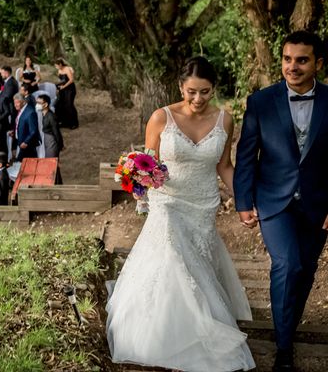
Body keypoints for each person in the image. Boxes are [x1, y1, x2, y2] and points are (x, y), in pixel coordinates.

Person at [105, 57, 254, 371]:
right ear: (179, 87)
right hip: (167, 202)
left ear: (214, 89)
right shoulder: (161, 118)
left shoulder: (224, 120)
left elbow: (224, 165)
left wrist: (244, 200)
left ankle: (195, 327)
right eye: (191, 92)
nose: (198, 99)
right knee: (173, 259)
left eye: (205, 92)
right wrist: (139, 188)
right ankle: (170, 337)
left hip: (203, 204)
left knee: (195, 265)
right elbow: (147, 164)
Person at [234, 31, 328, 371]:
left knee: (305, 271)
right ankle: (284, 348)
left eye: (302, 60)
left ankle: (287, 328)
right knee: (287, 264)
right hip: (274, 200)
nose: (293, 66)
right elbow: (246, 155)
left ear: (317, 63)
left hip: (319, 203)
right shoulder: (261, 101)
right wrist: (243, 200)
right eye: (288, 59)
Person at [11, 94, 40, 161]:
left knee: (21, 163)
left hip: (27, 145)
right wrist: (15, 131)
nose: (15, 105)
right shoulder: (21, 110)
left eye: (17, 103)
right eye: (14, 103)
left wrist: (26, 142)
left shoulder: (30, 112)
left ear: (24, 102)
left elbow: (33, 130)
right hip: (23, 144)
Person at [54, 58, 78, 129]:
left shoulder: (67, 69)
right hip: (63, 89)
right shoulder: (59, 70)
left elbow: (71, 80)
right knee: (61, 104)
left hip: (70, 89)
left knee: (69, 105)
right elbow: (60, 80)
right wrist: (58, 87)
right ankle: (64, 122)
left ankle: (74, 123)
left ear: (60, 64)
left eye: (57, 66)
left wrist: (63, 86)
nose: (56, 67)